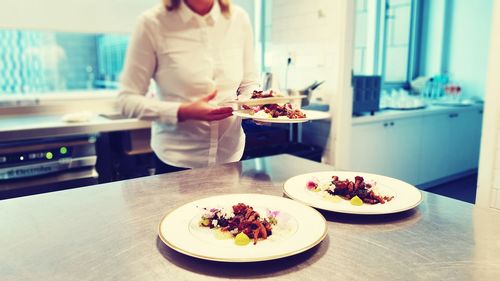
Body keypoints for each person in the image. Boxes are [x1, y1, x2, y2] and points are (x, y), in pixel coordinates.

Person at [118, 0, 259, 173]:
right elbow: (126, 100)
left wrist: (255, 107)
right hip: (176, 163)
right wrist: (182, 111)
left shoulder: (239, 19)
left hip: (231, 159)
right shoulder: (152, 23)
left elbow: (249, 84)